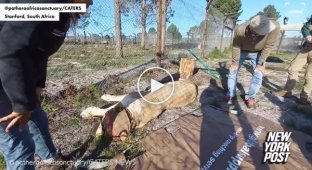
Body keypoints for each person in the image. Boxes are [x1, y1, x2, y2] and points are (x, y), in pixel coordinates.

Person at [0, 0, 92, 169]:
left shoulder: (61, 12)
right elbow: (8, 50)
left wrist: (37, 84)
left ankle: (52, 160)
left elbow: (39, 52)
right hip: (5, 68)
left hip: (14, 70)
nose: (92, 2)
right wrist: (21, 103)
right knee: (19, 145)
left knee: (37, 116)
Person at [226, 15, 280, 109]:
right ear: (253, 30)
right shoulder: (240, 30)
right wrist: (235, 62)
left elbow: (269, 46)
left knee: (258, 74)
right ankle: (231, 93)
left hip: (259, 53)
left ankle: (251, 97)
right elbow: (236, 47)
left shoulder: (273, 27)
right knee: (232, 71)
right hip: (242, 52)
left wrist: (260, 63)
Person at [273, 15, 312, 105]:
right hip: (306, 48)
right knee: (293, 68)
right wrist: (307, 35)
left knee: (309, 76)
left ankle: (304, 98)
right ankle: (287, 91)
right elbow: (305, 27)